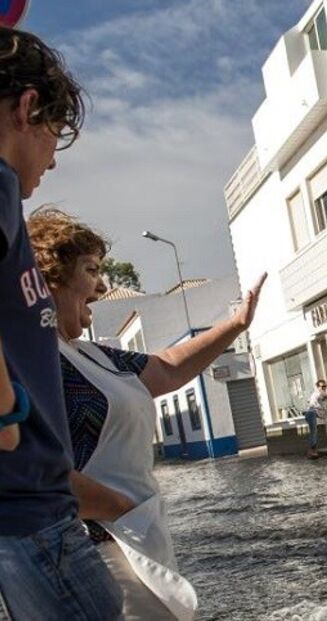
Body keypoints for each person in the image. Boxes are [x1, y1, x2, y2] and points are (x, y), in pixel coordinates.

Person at [27, 208, 267, 620]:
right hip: (94, 551)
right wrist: (117, 507)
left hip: (135, 541)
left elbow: (168, 367)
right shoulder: (32, 358)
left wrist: (236, 324)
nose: (102, 286)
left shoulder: (90, 355)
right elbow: (29, 468)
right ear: (51, 277)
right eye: (90, 269)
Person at [0, 27, 126, 620]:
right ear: (27, 107)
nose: (53, 158)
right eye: (55, 134)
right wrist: (3, 413)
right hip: (29, 520)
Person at [302, 379, 327, 459]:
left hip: (311, 413)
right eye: (322, 386)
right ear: (317, 387)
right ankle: (311, 452)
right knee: (314, 433)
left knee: (313, 432)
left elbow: (310, 401)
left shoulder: (314, 394)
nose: (324, 388)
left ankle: (313, 452)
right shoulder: (319, 393)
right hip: (312, 413)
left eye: (325, 386)